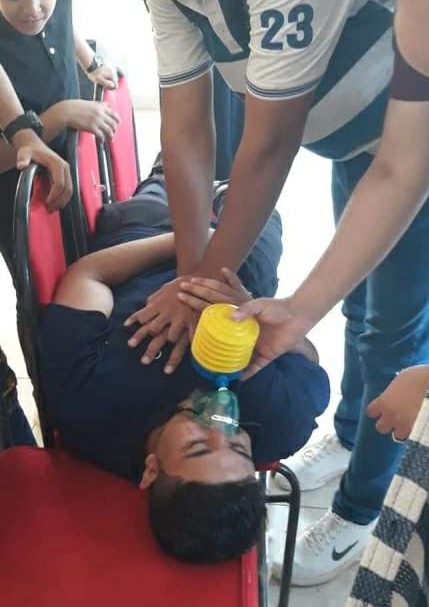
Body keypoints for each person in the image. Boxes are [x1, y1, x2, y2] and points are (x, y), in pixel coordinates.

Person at [135, 0, 429, 586]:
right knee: (359, 309)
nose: (220, 427)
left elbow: (271, 143)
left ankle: (359, 509)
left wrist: (202, 282)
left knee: (392, 342)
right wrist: (279, 306)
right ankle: (351, 436)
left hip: (394, 151)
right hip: (369, 147)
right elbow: (400, 167)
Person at [39, 171, 330, 562]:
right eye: (239, 447)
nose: (219, 424)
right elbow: (306, 358)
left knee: (171, 183)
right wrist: (253, 316)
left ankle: (171, 174)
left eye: (198, 445)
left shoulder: (85, 406)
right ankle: (228, 185)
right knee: (262, 204)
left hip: (147, 238)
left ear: (151, 470)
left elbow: (89, 275)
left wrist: (190, 255)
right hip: (241, 276)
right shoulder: (279, 425)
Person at [0, 0, 120, 445]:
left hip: (65, 177)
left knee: (82, 275)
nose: (34, 9)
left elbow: (64, 23)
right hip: (16, 198)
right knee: (42, 302)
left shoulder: (51, 11)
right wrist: (58, 117)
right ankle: (54, 408)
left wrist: (90, 63)